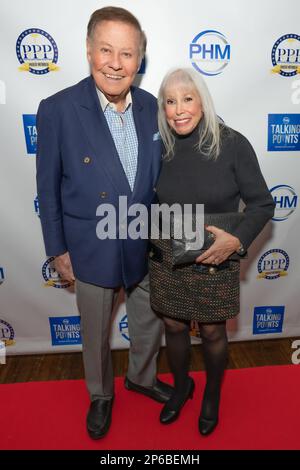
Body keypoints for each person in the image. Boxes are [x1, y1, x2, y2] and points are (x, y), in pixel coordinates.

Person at [36, 6, 172, 440]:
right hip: (88, 243)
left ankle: (142, 377)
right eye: (106, 50)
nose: (116, 63)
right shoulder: (57, 109)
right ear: (89, 51)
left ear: (140, 60)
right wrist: (57, 248)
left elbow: (166, 176)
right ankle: (101, 395)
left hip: (143, 238)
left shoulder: (153, 106)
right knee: (94, 332)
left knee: (149, 320)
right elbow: (48, 186)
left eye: (127, 54)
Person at [149, 68, 275, 436]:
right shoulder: (160, 148)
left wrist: (236, 242)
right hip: (169, 254)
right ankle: (181, 387)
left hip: (214, 258)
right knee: (171, 324)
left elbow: (262, 205)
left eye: (187, 98)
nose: (179, 109)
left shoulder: (233, 144)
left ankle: (212, 395)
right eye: (169, 102)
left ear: (202, 101)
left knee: (212, 332)